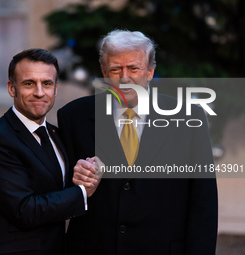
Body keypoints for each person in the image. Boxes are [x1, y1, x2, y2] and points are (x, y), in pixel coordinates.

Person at [57, 30, 218, 255]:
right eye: (115, 69)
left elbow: (204, 204)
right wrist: (76, 186)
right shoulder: (73, 117)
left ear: (150, 71)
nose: (125, 77)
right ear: (104, 72)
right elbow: (58, 194)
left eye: (134, 68)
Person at [0, 48, 91, 255]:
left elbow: (52, 187)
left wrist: (83, 173)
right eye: (29, 83)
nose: (39, 92)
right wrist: (82, 192)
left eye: (47, 83)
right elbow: (24, 210)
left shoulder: (55, 134)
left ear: (55, 89)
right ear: (11, 88)